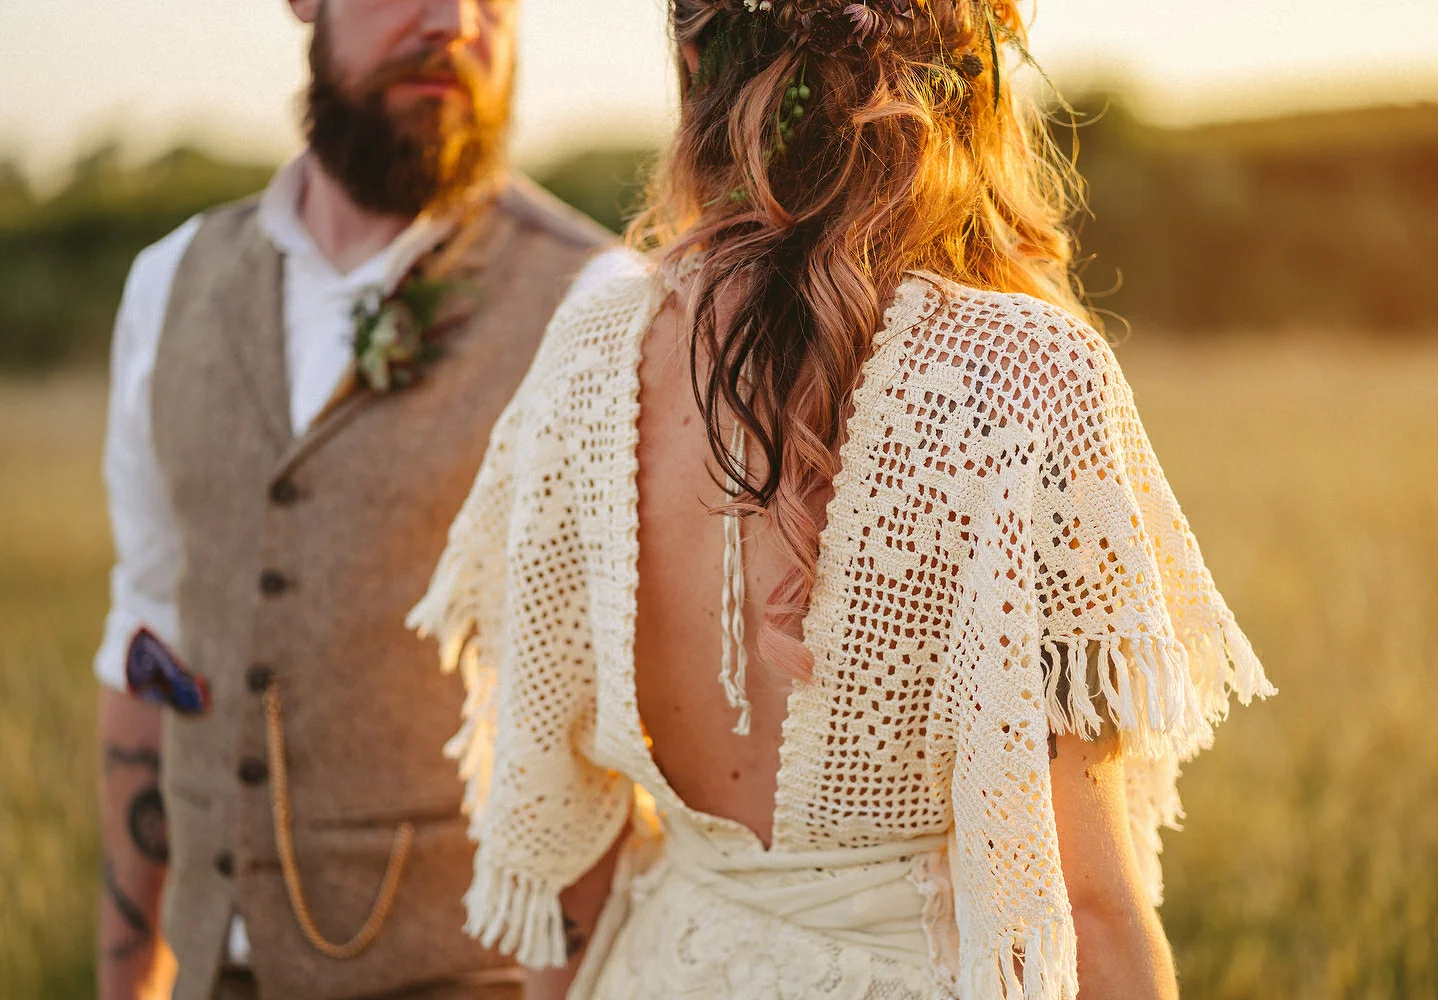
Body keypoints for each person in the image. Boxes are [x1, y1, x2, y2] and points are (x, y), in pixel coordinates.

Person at [411, 1, 1274, 997]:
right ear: (964, 77)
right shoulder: (1025, 376)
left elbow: (568, 846)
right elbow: (1088, 905)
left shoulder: (593, 346)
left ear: (697, 64)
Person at [94, 1, 611, 998]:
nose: (454, 21)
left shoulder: (598, 303)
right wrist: (130, 981)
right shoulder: (167, 285)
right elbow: (148, 636)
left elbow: (623, 737)